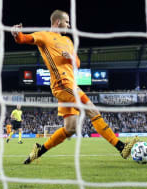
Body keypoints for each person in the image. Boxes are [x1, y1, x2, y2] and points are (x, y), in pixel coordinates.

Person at [11, 9, 139, 164]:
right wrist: (17, 34)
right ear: (58, 22)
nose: (69, 25)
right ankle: (121, 147)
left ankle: (39, 150)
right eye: (67, 22)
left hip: (70, 85)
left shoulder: (68, 41)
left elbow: (77, 62)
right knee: (92, 110)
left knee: (70, 128)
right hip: (62, 84)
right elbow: (25, 39)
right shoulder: (44, 36)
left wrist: (70, 57)